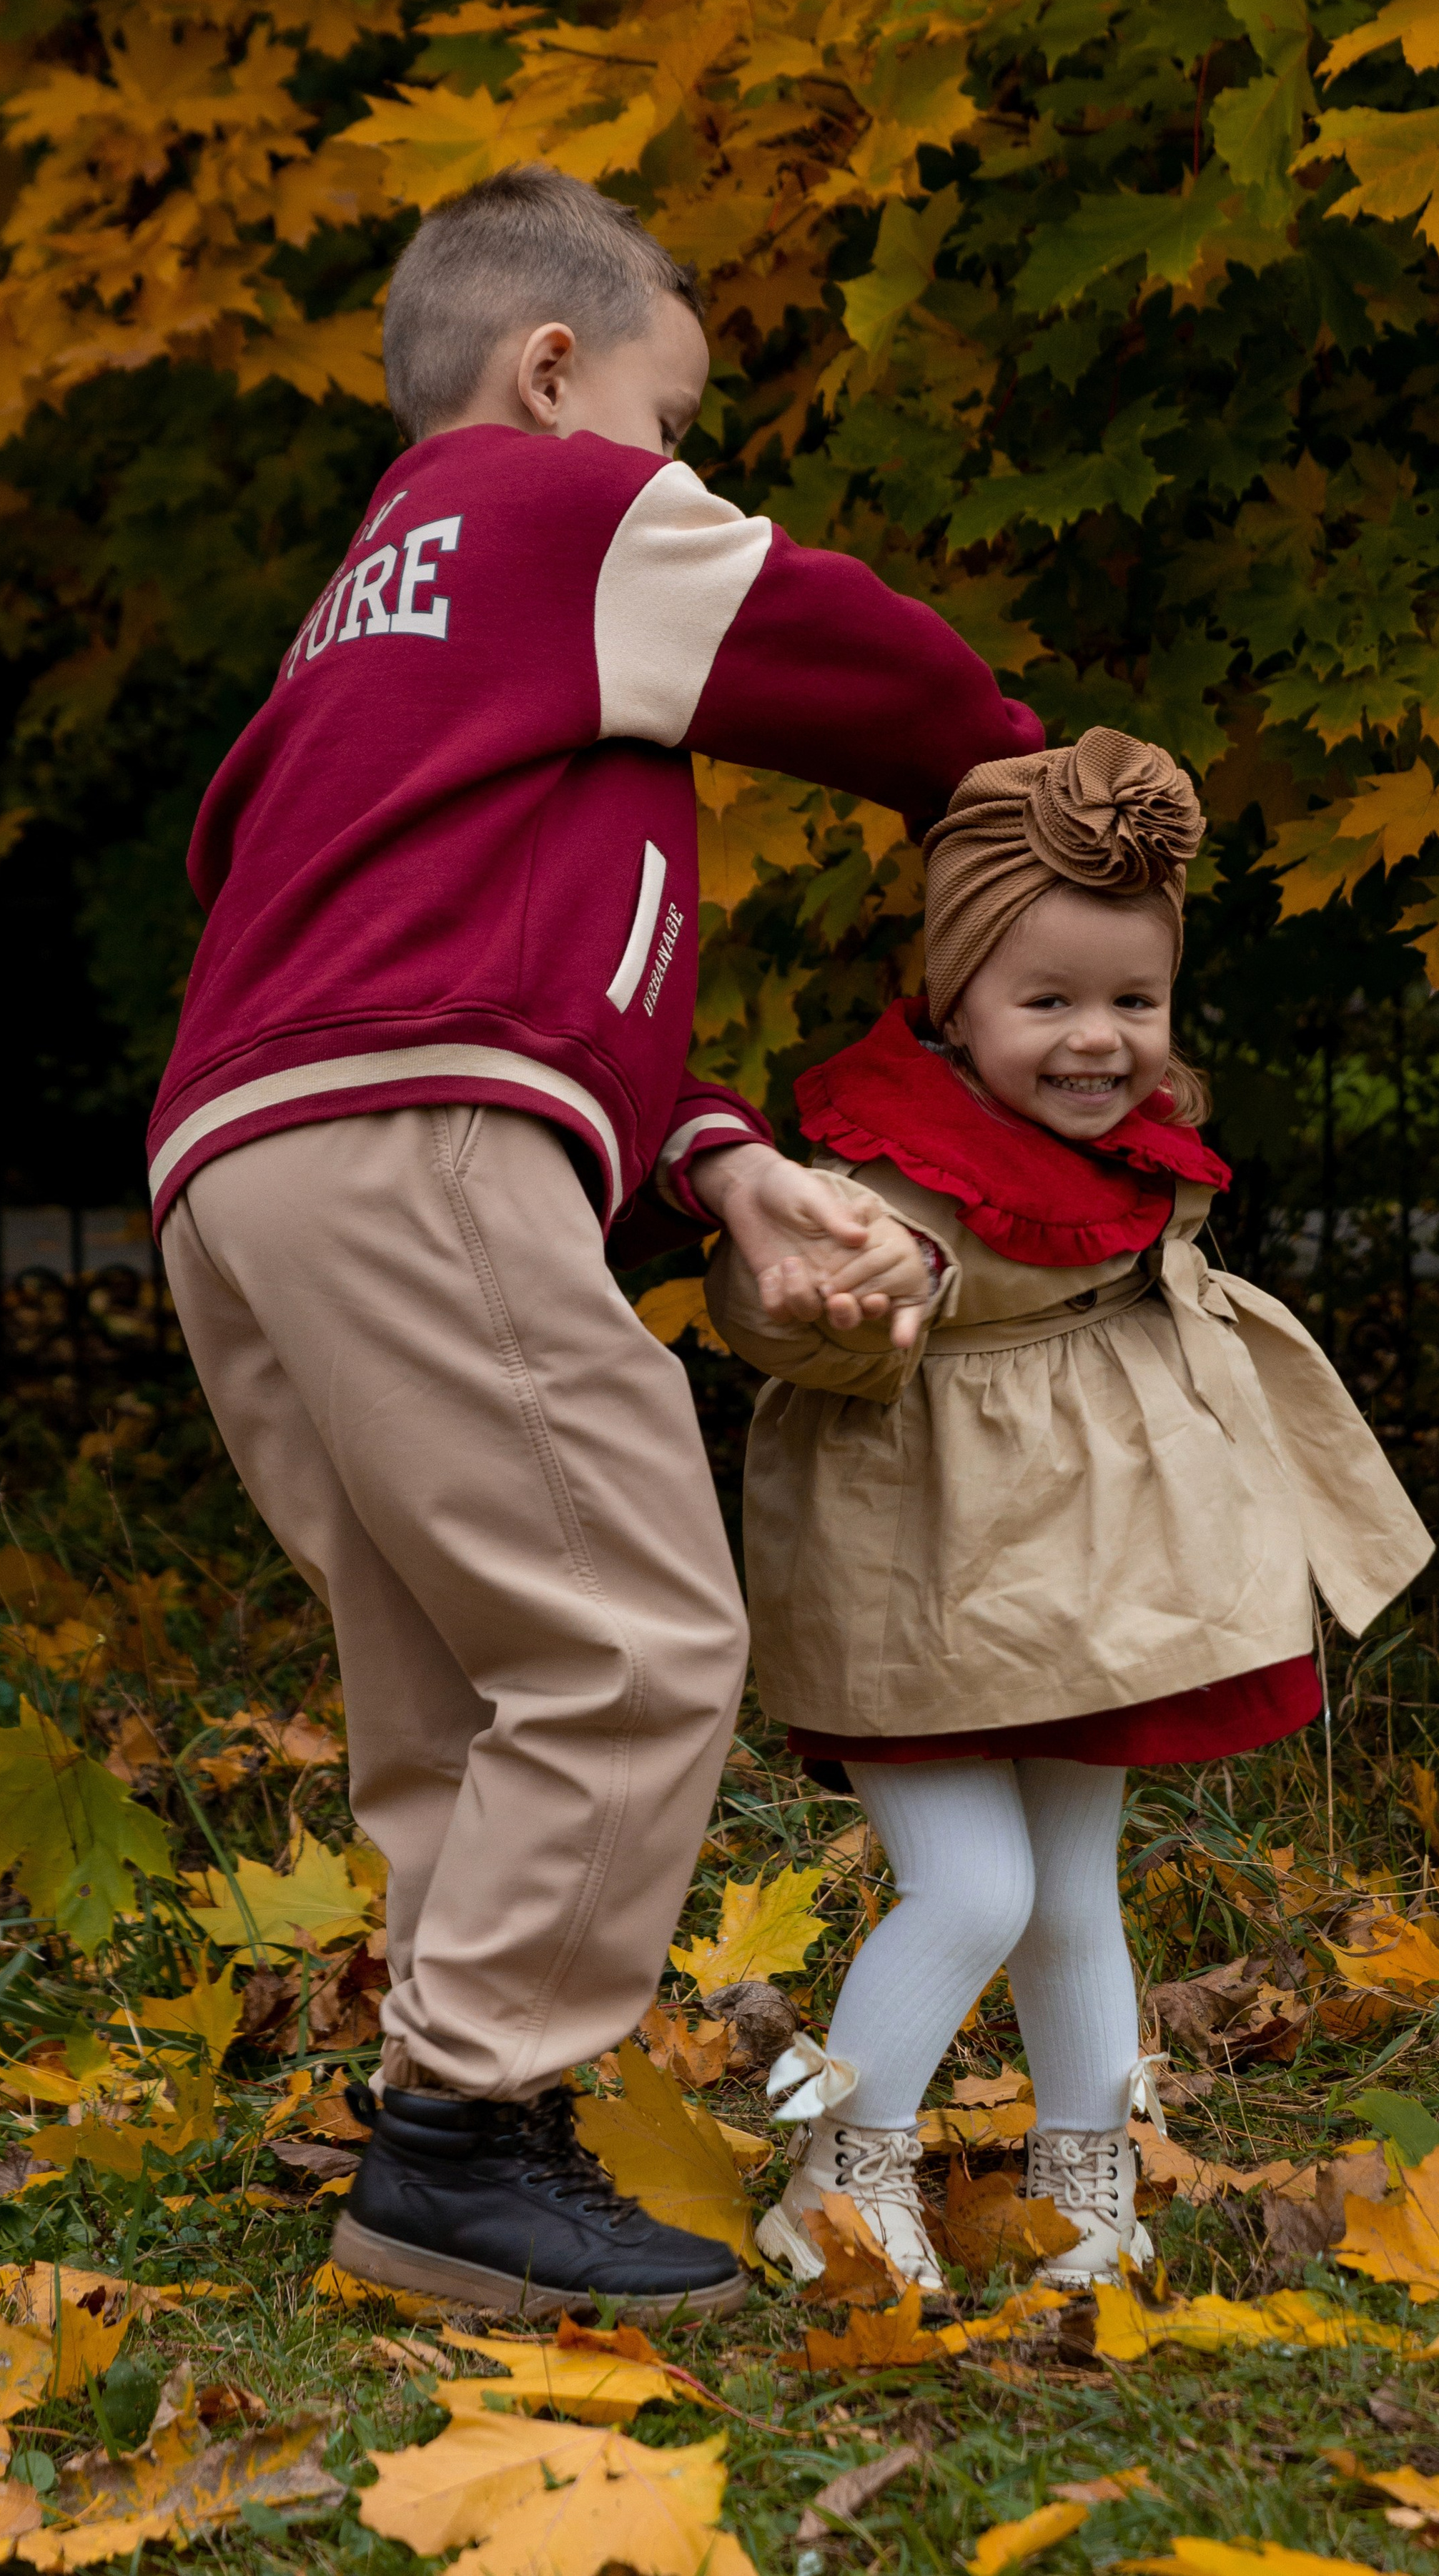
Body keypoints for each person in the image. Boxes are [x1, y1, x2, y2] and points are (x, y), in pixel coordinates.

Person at [147, 163, 1038, 2321]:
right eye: (674, 419)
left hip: (248, 1161)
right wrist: (1032, 784)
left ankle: (451, 2127)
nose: (688, 479)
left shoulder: (371, 612)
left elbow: (488, 953)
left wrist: (721, 1158)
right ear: (555, 374)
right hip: (408, 1126)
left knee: (459, 1665)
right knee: (634, 1629)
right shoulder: (557, 510)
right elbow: (859, 652)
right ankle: (467, 2143)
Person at [704, 728, 1434, 2291]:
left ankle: (1088, 2184)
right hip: (918, 1572)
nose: (1095, 1038)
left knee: (1069, 1891)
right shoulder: (888, 1164)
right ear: (955, 1002)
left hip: (1086, 1583)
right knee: (970, 1886)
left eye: (1131, 999)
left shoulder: (1129, 1143)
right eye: (1046, 1001)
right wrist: (839, 1294)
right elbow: (777, 1297)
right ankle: (834, 2171)